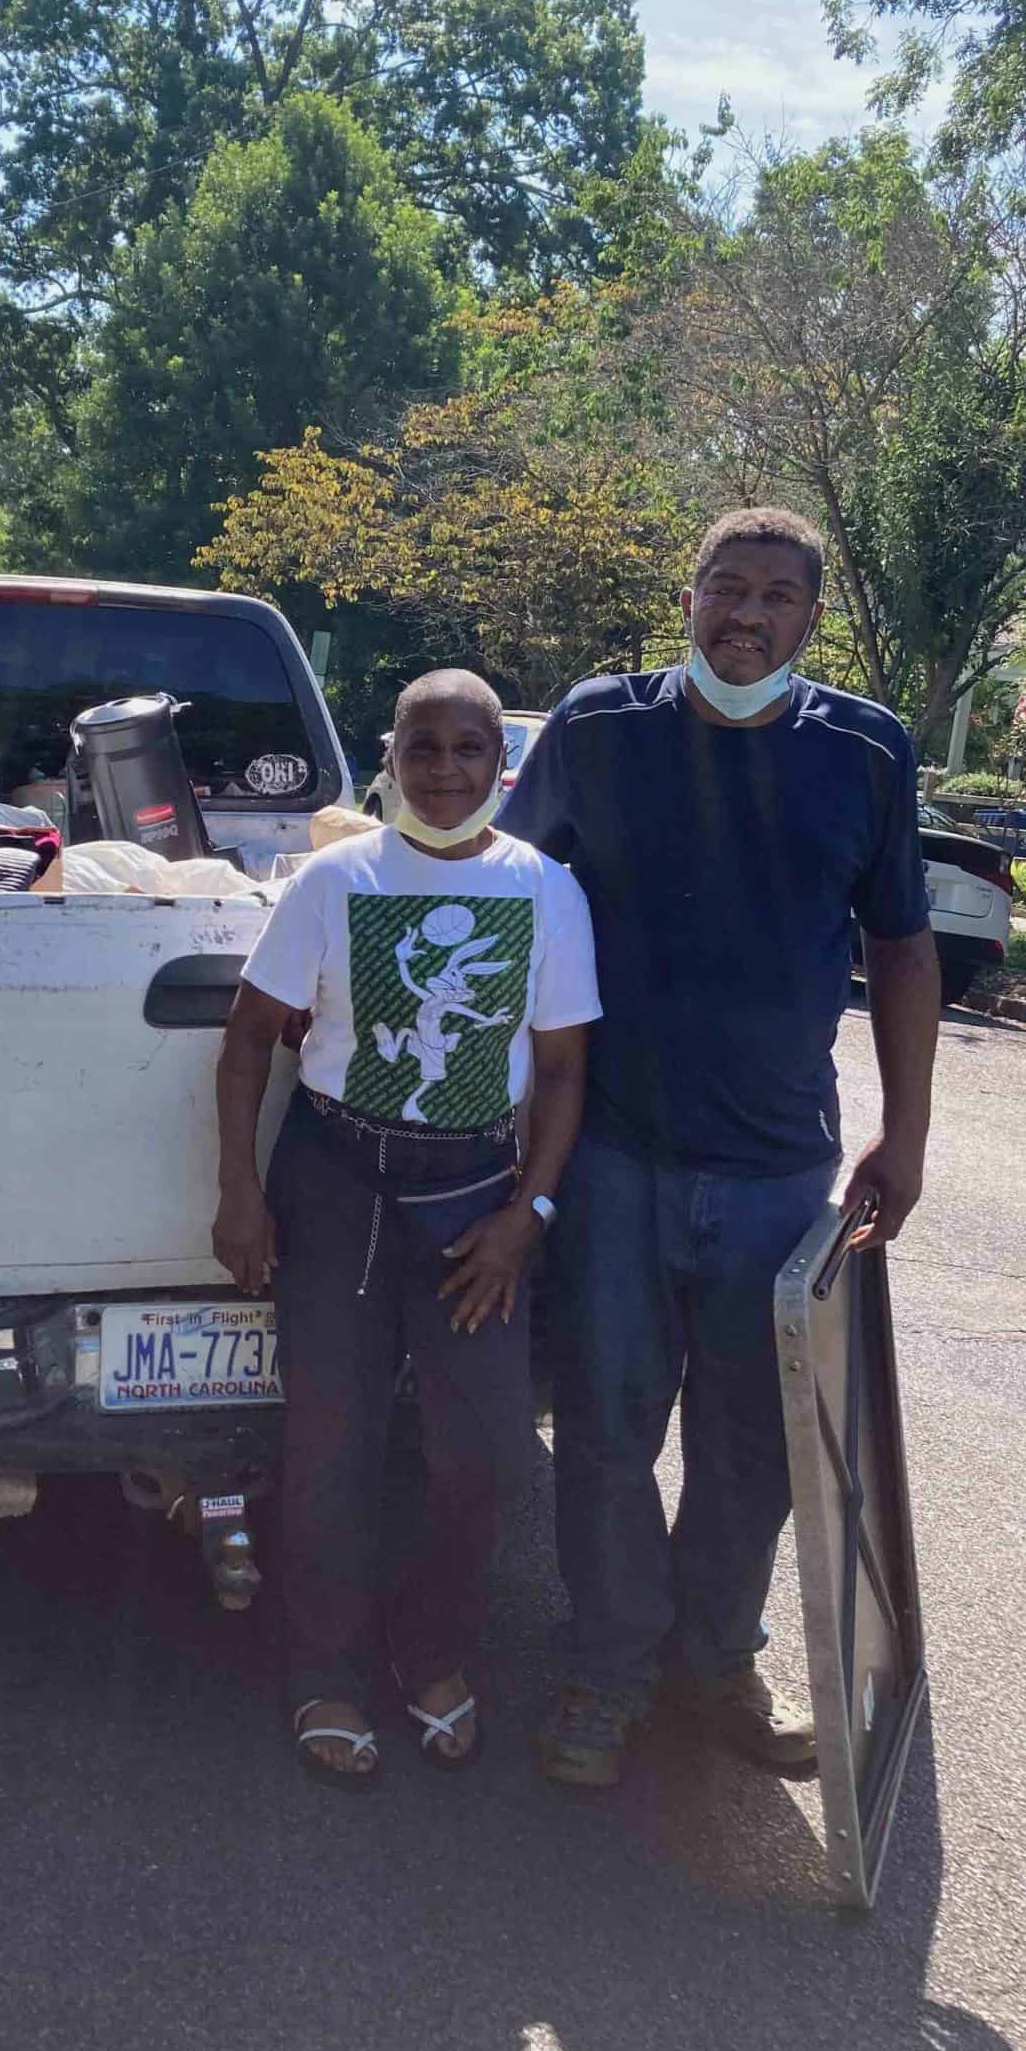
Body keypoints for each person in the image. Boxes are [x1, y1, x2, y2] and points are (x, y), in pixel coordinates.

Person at [499, 507, 940, 1789]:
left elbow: (904, 948)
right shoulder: (600, 726)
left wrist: (903, 1136)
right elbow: (511, 894)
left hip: (778, 1171)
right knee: (605, 1424)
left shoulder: (865, 750)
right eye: (725, 587)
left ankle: (712, 1662)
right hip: (613, 1152)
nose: (746, 614)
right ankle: (606, 1665)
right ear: (686, 595)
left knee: (755, 1445)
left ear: (812, 617)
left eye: (777, 597)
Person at [214, 671, 600, 1788]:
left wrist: (526, 1215)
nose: (444, 770)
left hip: (474, 1197)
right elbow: (249, 1042)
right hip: (335, 1177)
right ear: (389, 756)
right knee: (329, 1449)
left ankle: (428, 1650)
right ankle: (322, 1672)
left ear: (499, 764)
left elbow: (567, 1069)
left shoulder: (547, 891)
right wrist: (239, 1192)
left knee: (477, 1456)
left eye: (468, 749)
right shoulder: (335, 880)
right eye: (422, 747)